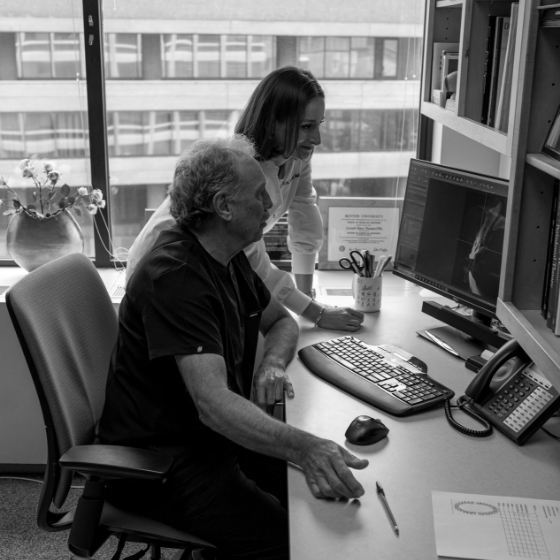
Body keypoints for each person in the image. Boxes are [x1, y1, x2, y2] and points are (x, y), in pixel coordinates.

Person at [98, 136, 369, 560]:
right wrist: (304, 446)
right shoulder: (176, 276)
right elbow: (214, 405)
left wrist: (272, 366)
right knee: (291, 541)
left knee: (321, 505)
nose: (269, 206)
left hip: (211, 440)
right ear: (224, 207)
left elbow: (281, 320)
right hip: (162, 464)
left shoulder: (226, 255)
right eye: (259, 196)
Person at [126, 66, 364, 332]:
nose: (317, 139)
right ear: (273, 123)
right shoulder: (244, 171)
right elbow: (255, 266)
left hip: (205, 274)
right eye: (306, 126)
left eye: (318, 125)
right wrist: (316, 313)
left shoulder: (295, 155)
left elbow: (305, 214)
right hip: (165, 276)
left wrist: (309, 299)